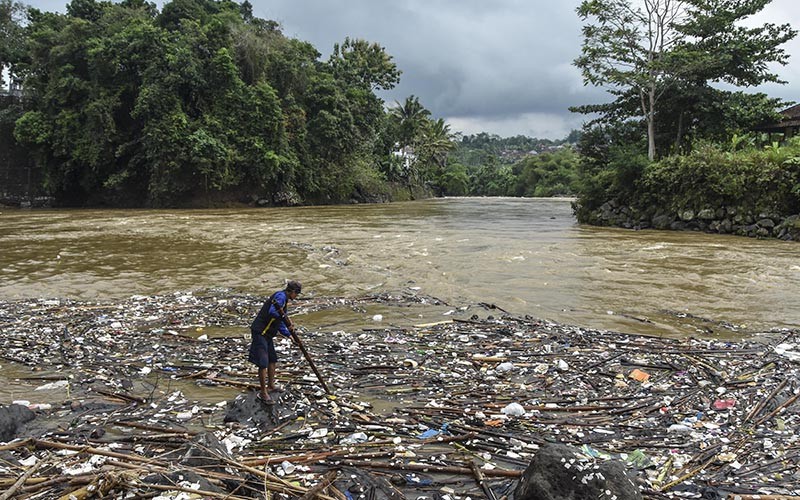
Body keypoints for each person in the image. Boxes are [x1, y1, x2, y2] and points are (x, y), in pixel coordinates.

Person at [248, 280, 301, 404]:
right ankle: (263, 392)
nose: (296, 297)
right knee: (263, 362)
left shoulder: (284, 301)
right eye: (297, 294)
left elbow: (280, 323)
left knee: (272, 359)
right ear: (293, 292)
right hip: (260, 332)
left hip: (268, 334)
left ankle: (271, 385)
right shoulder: (280, 297)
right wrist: (284, 317)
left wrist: (289, 335)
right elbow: (273, 312)